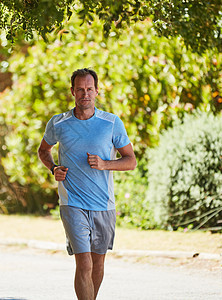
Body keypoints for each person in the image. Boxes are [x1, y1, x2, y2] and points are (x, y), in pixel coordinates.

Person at [38, 68, 137, 300]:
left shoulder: (111, 123)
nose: (85, 94)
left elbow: (130, 161)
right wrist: (53, 168)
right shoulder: (58, 123)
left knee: (97, 263)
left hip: (103, 204)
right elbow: (43, 150)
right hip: (72, 203)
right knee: (84, 262)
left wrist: (105, 164)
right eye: (80, 89)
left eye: (89, 89)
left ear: (97, 91)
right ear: (72, 92)